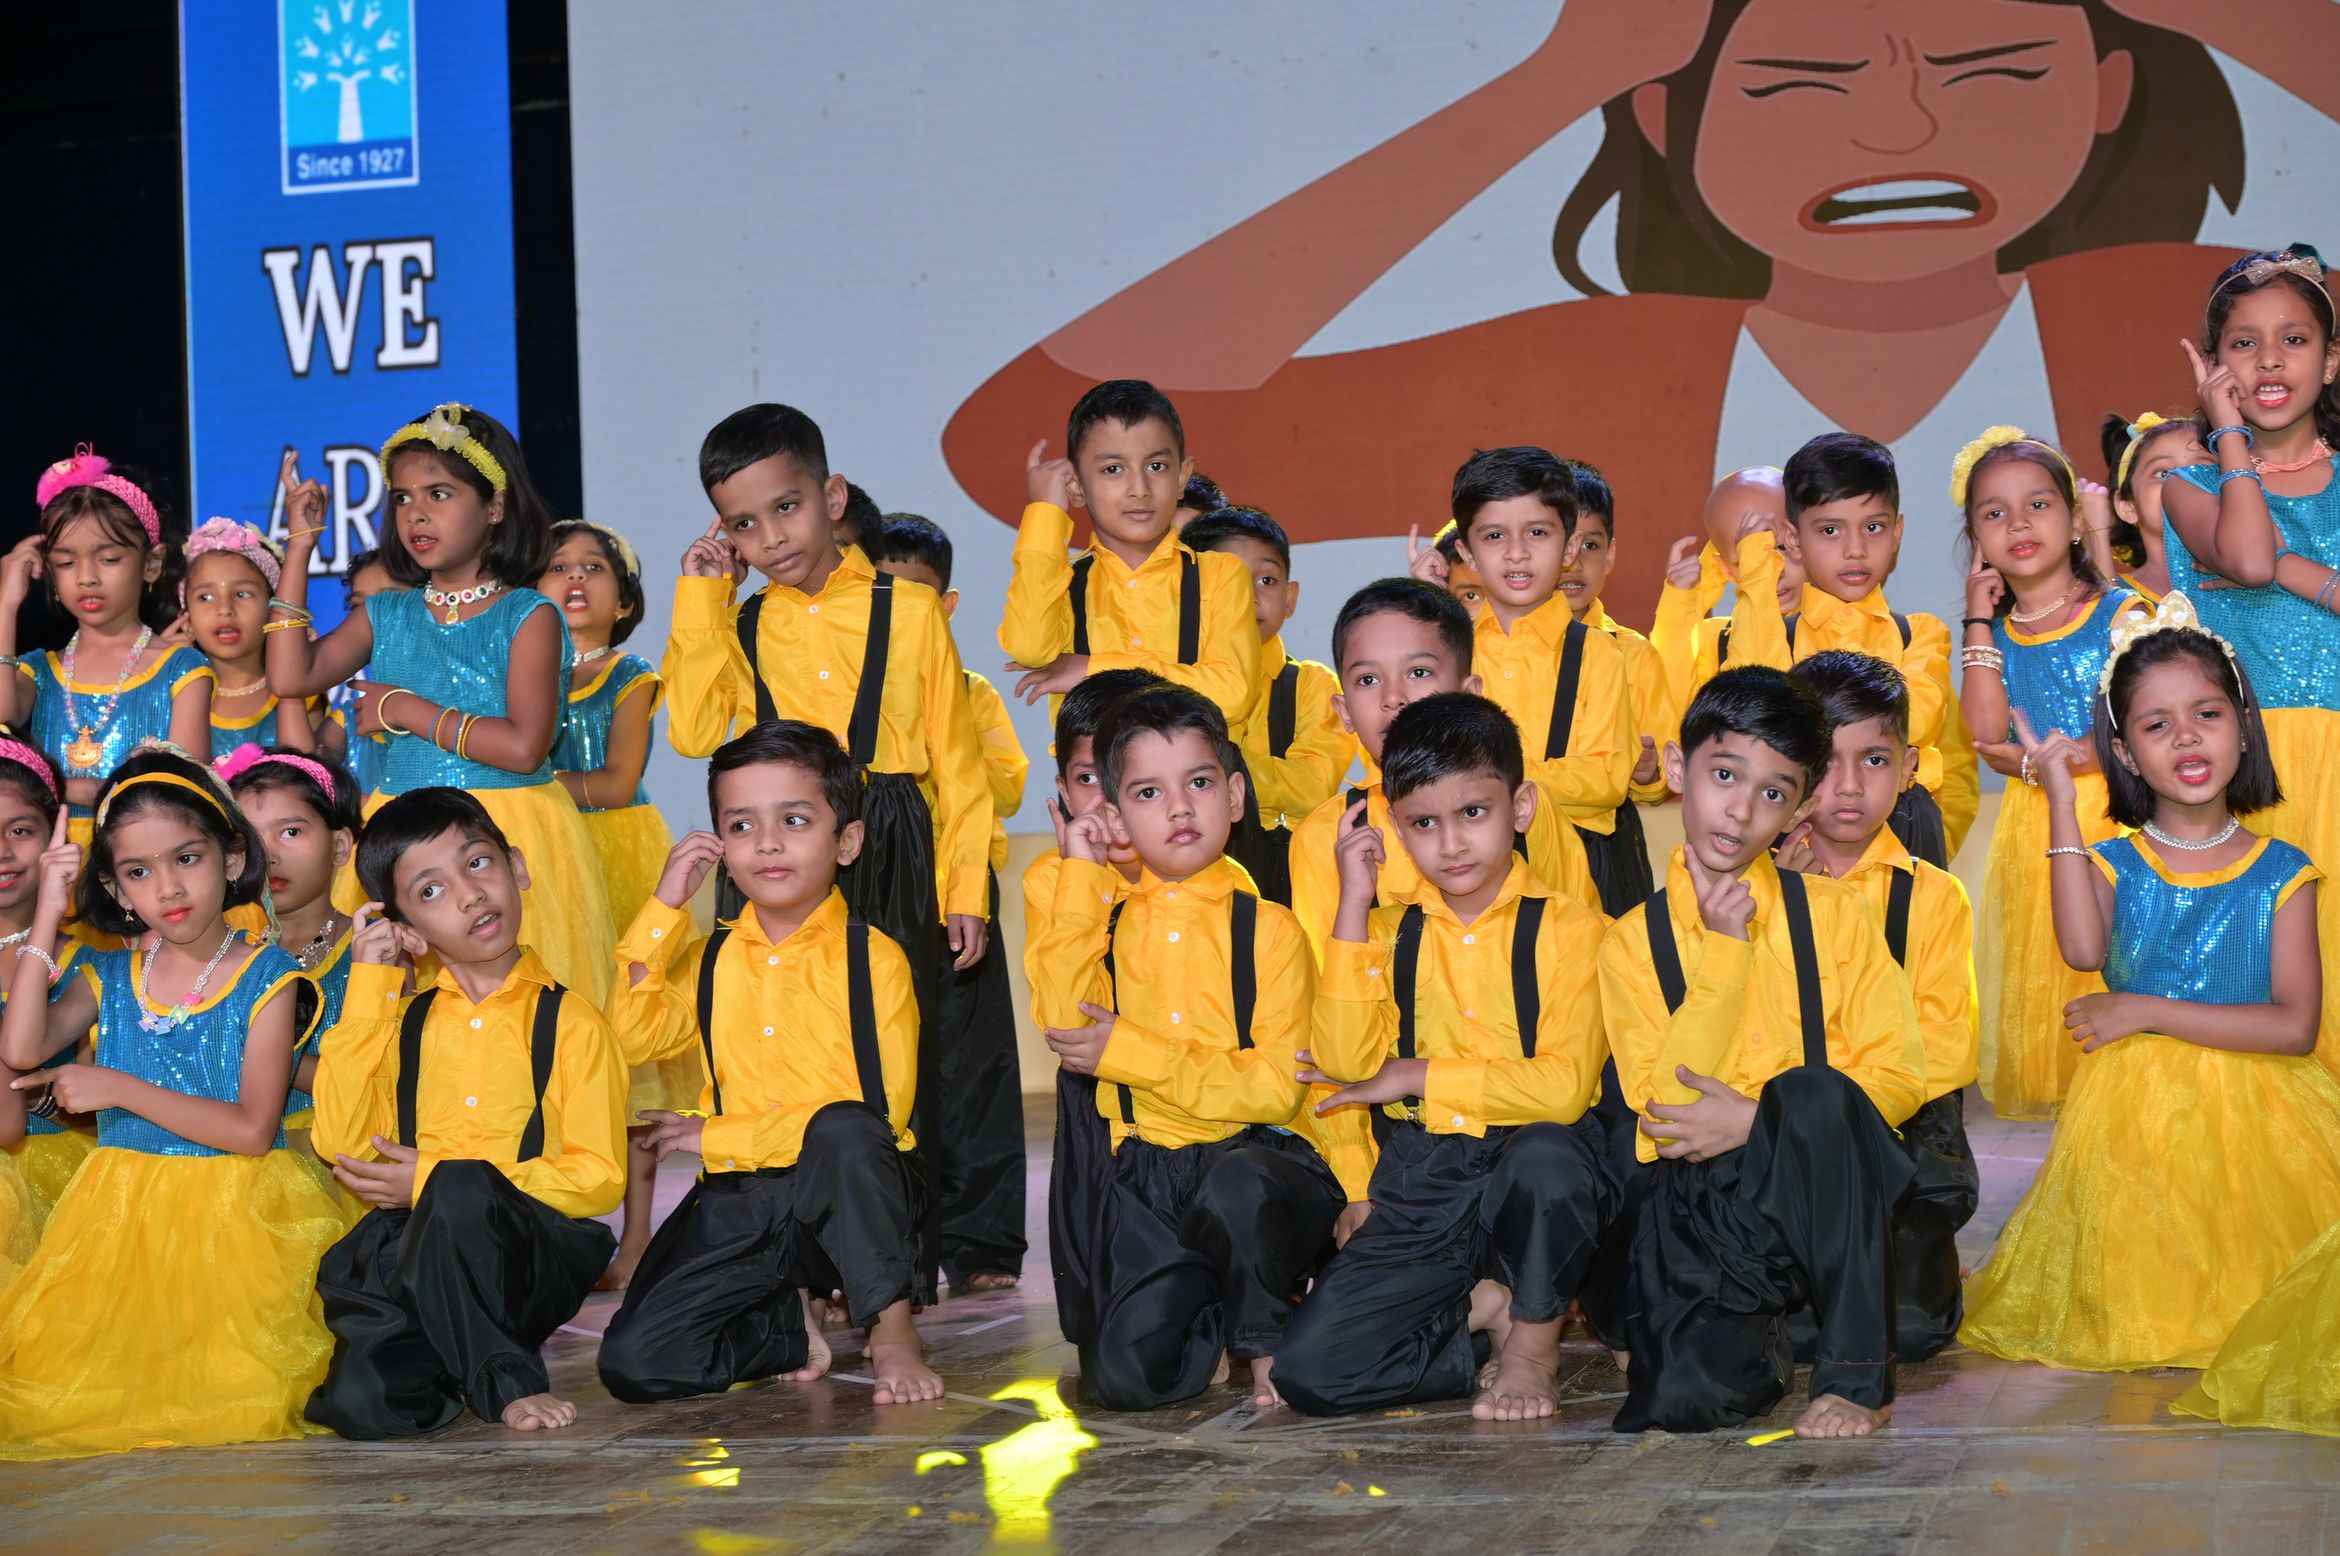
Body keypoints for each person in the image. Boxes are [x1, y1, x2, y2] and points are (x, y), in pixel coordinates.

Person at [939, 3, 2330, 623]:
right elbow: (1033, 433)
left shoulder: (2208, 327)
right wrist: (1549, 82)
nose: (1900, 129)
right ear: (1665, 116)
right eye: (1796, 87)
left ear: (2108, 92)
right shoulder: (1589, 369)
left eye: (1995, 71)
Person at [1961, 594, 2340, 1371]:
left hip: (2267, 1117)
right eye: (2156, 724)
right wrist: (2062, 802)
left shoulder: (2284, 873)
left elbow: (2294, 1027)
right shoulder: (2114, 865)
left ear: (2243, 728)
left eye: (2207, 714)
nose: (2187, 736)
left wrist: (2143, 1009)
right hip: (2135, 1124)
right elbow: (2080, 949)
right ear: (2126, 754)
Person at [664, 404, 991, 1301]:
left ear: (832, 496)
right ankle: (792, 1265)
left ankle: (891, 1273)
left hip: (888, 830)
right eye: (741, 524)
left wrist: (965, 886)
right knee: (768, 1048)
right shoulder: (738, 622)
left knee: (893, 1062)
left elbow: (959, 766)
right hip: (777, 842)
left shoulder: (909, 611)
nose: (769, 538)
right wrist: (700, 599)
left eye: (787, 508)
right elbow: (692, 729)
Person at [1596, 667, 1924, 1438]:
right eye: (1724, 776)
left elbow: (1901, 1075)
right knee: (1680, 1403)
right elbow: (1665, 1110)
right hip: (1706, 1208)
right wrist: (1725, 953)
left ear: (1800, 807)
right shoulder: (1629, 942)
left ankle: (1856, 1378)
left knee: (1815, 1093)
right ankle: (1772, 1334)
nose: (1742, 810)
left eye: (1773, 792)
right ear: (1677, 770)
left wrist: (1761, 1121)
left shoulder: (1837, 916)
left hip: (1823, 1190)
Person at [1274, 693, 1614, 1421]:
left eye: (1473, 812)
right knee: (1308, 1372)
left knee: (1549, 1158)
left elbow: (1563, 1089)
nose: (1451, 843)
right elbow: (1343, 1061)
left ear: (1521, 808)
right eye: (1423, 823)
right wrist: (1351, 906)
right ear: (1396, 830)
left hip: (1531, 1168)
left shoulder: (1573, 928)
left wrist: (1417, 1075)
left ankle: (1534, 1349)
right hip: (1426, 1175)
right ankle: (1485, 1310)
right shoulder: (1385, 934)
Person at [1030, 683, 1367, 1410]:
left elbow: (1274, 1089)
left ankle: (1268, 1336)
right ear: (1116, 816)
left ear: (1236, 797)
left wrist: (1131, 1051)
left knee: (1237, 1184)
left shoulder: (1269, 930)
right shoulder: (1104, 921)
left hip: (1258, 1160)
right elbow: (1063, 1023)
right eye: (1148, 793)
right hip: (1147, 1170)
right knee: (1126, 1381)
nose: (1179, 808)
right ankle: (1213, 1308)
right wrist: (1081, 870)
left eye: (1200, 783)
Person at [0, 746, 339, 1458]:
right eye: (138, 872)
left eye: (187, 858)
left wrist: (118, 1088)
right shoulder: (107, 973)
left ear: (231, 857)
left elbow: (252, 1130)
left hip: (236, 1216)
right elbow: (23, 1048)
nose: (168, 887)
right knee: (73, 1391)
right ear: (117, 891)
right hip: (118, 1215)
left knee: (230, 1395)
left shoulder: (269, 976)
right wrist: (48, 916)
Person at [596, 723, 944, 1407]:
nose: (768, 843)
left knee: (848, 1130)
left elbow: (876, 1117)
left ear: (846, 841)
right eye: (742, 825)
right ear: (722, 850)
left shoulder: (874, 959)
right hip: (741, 1197)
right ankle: (786, 1328)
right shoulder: (709, 961)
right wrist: (666, 906)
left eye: (795, 820)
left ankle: (892, 1331)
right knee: (635, 1363)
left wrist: (715, 1134)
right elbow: (631, 1037)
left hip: (848, 1197)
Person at [304, 788, 626, 1438]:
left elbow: (600, 1179)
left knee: (457, 1184)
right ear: (407, 929)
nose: (470, 894)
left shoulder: (573, 1023)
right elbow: (342, 1144)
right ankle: (460, 1356)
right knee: (364, 1408)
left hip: (527, 1256)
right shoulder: (401, 1023)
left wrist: (434, 1179)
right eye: (431, 891)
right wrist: (369, 987)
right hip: (418, 1259)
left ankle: (507, 1379)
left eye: (478, 863)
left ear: (518, 867)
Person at [265, 412, 617, 1004]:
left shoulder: (528, 614)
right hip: (402, 837)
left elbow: (524, 747)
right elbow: (289, 674)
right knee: (402, 1014)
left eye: (439, 494)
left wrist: (408, 711)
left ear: (494, 507)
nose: (416, 514)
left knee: (521, 1017)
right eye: (403, 498)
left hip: (507, 832)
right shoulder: (387, 614)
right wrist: (300, 546)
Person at [2160, 245, 2340, 1068]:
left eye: (2294, 340)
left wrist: (2296, 569)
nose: (2269, 360)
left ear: (2330, 361)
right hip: (2248, 775)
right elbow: (2249, 557)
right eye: (2244, 343)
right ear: (2212, 365)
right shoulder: (2190, 487)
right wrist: (2228, 434)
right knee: (2257, 990)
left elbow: (2266, 565)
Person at [1781, 651, 1977, 1360]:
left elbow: (1947, 1048)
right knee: (1784, 1328)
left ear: (1910, 767)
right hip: (1781, 1145)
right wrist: (1783, 907)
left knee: (1909, 1330)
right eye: (1824, 763)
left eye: (1873, 760)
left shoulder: (1933, 897)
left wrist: (1847, 1109)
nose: (1848, 786)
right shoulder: (1750, 889)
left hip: (1900, 1141)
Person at [1955, 427, 2141, 1118]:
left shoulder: (2120, 613)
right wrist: (1978, 618)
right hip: (2038, 835)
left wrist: (2059, 760)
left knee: (2125, 983)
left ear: (2074, 520)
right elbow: (1984, 734)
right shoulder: (1996, 636)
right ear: (1976, 539)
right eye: (1994, 513)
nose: (2018, 524)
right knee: (2061, 1002)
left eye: (2038, 505)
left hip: (2121, 824)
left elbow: (2146, 727)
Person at [867, 512, 1029, 1294]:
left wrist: (936, 746)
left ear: (947, 606)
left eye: (918, 597)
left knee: (972, 1068)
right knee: (886, 1065)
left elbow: (1006, 786)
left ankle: (983, 1241)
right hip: (877, 883)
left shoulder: (971, 691)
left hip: (957, 890)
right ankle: (889, 1241)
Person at [1287, 578, 1597, 965]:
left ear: (1470, 693)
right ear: (1344, 711)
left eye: (1418, 672)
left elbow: (1582, 944)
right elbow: (1328, 980)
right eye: (1368, 680)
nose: (1393, 698)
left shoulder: (1524, 809)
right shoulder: (1324, 837)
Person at [1697, 436, 1957, 867]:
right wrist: (1758, 569)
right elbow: (1756, 714)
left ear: (1897, 532)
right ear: (1793, 539)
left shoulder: (1919, 634)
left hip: (1902, 822)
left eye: (1873, 527)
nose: (1855, 549)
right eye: (1830, 530)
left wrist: (1804, 721)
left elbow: (1916, 719)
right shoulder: (1773, 635)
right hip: (1793, 823)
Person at [540, 519, 682, 1290]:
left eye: (592, 568)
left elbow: (618, 782)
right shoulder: (517, 671)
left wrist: (522, 782)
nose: (573, 580)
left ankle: (635, 1238)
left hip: (615, 859)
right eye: (557, 567)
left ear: (624, 599)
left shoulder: (631, 674)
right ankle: (555, 1222)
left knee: (626, 1046)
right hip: (542, 861)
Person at [1411, 447, 1639, 914]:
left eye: (1537, 532)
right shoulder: (1449, 655)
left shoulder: (1599, 653)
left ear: (1570, 548)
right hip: (1467, 869)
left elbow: (1608, 778)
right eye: (1495, 536)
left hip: (1577, 871)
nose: (1516, 552)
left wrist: (1490, 781)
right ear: (1467, 553)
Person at [1024, 668, 1166, 1346]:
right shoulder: (1051, 879)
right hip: (1095, 1104)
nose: (1109, 801)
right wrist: (1083, 877)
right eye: (1088, 778)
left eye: (1131, 779)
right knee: (1100, 1331)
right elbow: (1064, 1020)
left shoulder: (1211, 877)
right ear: (1061, 788)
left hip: (1189, 1104)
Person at [998, 379, 1262, 721]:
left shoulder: (1221, 574)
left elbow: (1234, 695)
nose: (1139, 488)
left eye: (1156, 466)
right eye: (1113, 469)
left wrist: (1093, 669)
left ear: (1182, 477)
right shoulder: (1062, 583)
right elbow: (1029, 647)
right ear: (1076, 486)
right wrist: (1045, 512)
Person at [0, 449, 213, 844]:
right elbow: (2, 720)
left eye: (109, 559)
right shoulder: (38, 671)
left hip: (140, 864)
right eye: (66, 563)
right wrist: (6, 605)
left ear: (151, 564)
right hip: (51, 872)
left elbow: (182, 792)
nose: (87, 578)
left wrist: (64, 787)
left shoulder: (182, 668)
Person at [1179, 505, 1357, 905]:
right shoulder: (1170, 687)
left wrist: (1209, 771)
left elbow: (1312, 788)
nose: (1250, 596)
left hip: (1287, 886)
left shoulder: (1311, 685)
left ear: (1290, 598)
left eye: (1266, 580)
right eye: (1230, 581)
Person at [216, 746, 360, 1150]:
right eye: (250, 840)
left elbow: (372, 1080)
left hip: (335, 1158)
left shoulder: (375, 951)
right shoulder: (228, 951)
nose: (269, 857)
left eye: (291, 832)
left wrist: (258, 1047)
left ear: (339, 846)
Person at [0, 741, 94, 1217]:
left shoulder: (91, 965)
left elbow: (107, 1121)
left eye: (20, 830)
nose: (2, 852)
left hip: (63, 1190)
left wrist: (43, 1102)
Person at [1648, 468, 1806, 744]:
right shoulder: (1714, 642)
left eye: (1781, 548)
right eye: (1748, 557)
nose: (1773, 572)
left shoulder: (1844, 624)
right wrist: (1680, 607)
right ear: (1725, 569)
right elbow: (1672, 720)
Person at [1552, 461, 1674, 815]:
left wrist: (1650, 776)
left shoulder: (1634, 655)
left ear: (1610, 554)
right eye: (1560, 544)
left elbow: (1663, 773)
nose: (1574, 563)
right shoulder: (1497, 645)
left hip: (1601, 837)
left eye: (1590, 545)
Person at [181, 519, 325, 761]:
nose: (224, 609)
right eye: (205, 597)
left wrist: (293, 683)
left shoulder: (301, 694)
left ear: (272, 612)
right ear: (187, 623)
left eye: (242, 594)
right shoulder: (175, 696)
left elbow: (307, 771)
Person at [2090, 412, 2209, 605]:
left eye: (2202, 468)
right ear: (2128, 507)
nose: (2185, 480)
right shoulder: (2113, 593)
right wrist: (2097, 535)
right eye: (2163, 473)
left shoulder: (2253, 578)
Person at [329, 549, 401, 800]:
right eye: (359, 606)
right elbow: (306, 775)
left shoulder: (456, 708)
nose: (371, 618)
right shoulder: (348, 719)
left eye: (389, 601)